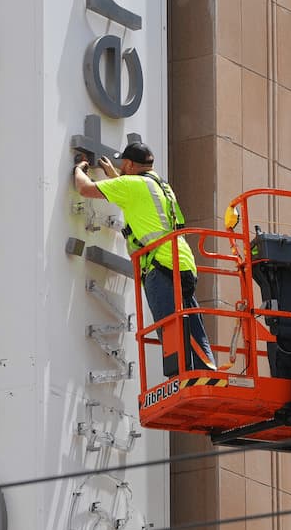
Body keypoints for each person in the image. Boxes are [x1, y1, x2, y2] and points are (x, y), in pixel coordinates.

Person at [72, 140, 216, 376]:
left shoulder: (131, 185)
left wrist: (79, 168)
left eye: (123, 165)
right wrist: (115, 176)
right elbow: (134, 197)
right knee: (190, 322)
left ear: (129, 164)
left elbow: (85, 188)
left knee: (169, 326)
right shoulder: (161, 185)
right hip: (182, 260)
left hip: (159, 263)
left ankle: (180, 379)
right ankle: (207, 370)